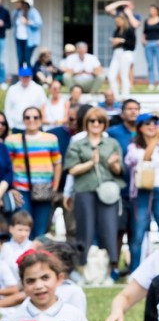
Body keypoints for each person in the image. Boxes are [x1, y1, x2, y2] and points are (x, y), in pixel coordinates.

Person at [65, 107, 124, 278]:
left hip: (107, 193)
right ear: (86, 123)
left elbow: (119, 170)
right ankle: (83, 268)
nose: (96, 124)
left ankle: (110, 268)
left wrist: (113, 165)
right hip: (85, 191)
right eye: (92, 121)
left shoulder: (112, 143)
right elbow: (72, 169)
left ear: (104, 124)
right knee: (85, 230)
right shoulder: (78, 143)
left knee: (109, 229)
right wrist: (91, 162)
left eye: (99, 121)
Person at [124, 113, 159, 271]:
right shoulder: (133, 147)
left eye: (154, 123)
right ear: (140, 128)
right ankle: (134, 270)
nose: (152, 126)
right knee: (138, 233)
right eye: (147, 123)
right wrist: (157, 138)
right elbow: (145, 158)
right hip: (142, 192)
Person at [6, 106, 61, 239]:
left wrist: (55, 187)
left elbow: (57, 163)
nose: (31, 120)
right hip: (21, 189)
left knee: (40, 230)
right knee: (22, 226)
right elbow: (8, 166)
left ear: (40, 120)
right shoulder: (12, 140)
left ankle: (36, 258)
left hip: (44, 189)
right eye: (27, 117)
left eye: (35, 117)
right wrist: (11, 188)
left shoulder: (51, 139)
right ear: (23, 120)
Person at [5, 66, 46, 132]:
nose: (25, 79)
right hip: (17, 126)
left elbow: (43, 107)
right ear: (19, 77)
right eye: (23, 76)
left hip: (34, 125)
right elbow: (7, 108)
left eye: (27, 76)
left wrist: (39, 123)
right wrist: (11, 125)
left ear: (31, 77)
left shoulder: (38, 89)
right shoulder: (12, 89)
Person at [10, 0, 42, 69]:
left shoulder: (32, 11)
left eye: (17, 2)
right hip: (18, 39)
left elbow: (39, 23)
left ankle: (28, 79)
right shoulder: (15, 12)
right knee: (20, 60)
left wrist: (28, 22)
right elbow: (12, 23)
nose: (16, 4)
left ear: (21, 2)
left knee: (27, 60)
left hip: (29, 40)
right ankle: (21, 78)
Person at [142, 5, 159, 89]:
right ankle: (151, 82)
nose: (151, 11)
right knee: (150, 64)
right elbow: (144, 32)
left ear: (157, 11)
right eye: (150, 9)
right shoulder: (146, 21)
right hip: (148, 44)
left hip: (158, 44)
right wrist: (143, 40)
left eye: (153, 10)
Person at [0, 0, 9, 88]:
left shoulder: (5, 11)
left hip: (1, 37)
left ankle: (2, 81)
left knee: (1, 60)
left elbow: (9, 24)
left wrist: (3, 24)